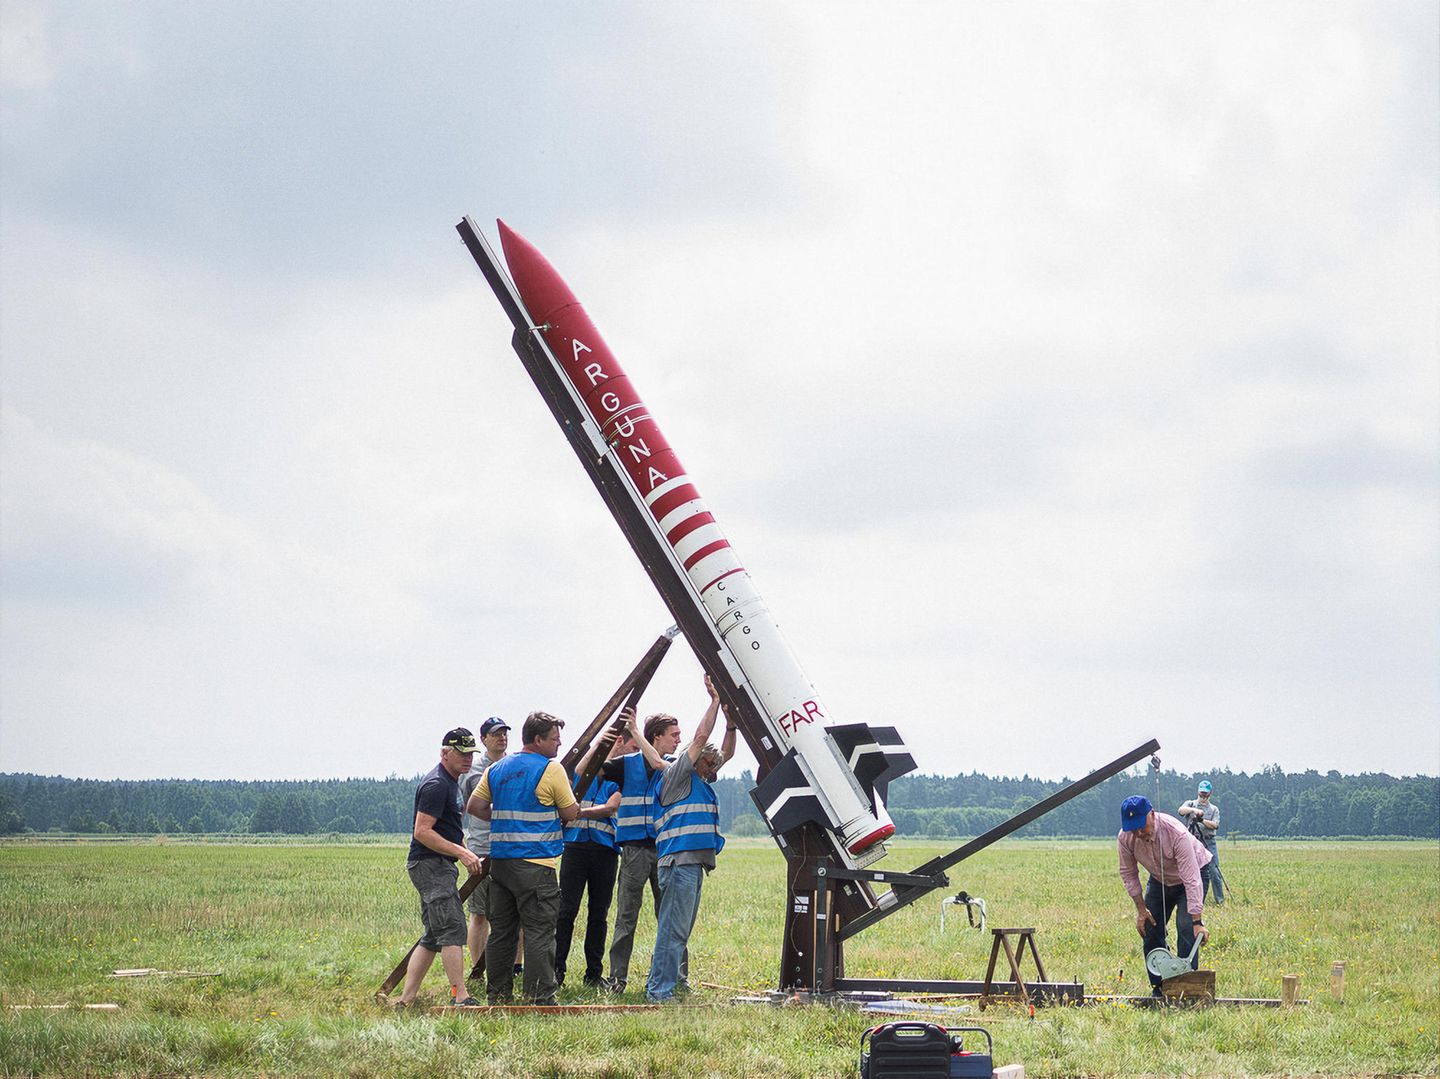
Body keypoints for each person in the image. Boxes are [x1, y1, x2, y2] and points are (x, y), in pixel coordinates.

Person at [465, 711, 613, 1004]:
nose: (559, 745)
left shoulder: (497, 768)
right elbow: (570, 812)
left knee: (502, 932)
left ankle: (497, 994)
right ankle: (540, 996)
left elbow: (476, 806)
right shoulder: (551, 770)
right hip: (536, 864)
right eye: (555, 739)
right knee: (539, 931)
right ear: (538, 739)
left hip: (502, 863)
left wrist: (506, 819)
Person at [632, 675, 735, 1003]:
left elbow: (727, 753)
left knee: (679, 931)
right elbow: (701, 736)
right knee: (672, 931)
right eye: (709, 760)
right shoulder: (679, 775)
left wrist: (731, 726)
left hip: (692, 864)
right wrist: (714, 702)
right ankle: (659, 992)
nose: (715, 765)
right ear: (697, 760)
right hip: (679, 863)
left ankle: (669, 985)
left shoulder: (699, 780)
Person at [395, 727, 485, 1008]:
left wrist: (465, 850)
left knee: (433, 935)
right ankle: (461, 997)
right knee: (452, 929)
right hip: (430, 864)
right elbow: (422, 832)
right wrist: (461, 852)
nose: (467, 759)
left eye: (470, 753)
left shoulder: (451, 781)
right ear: (444, 753)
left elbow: (449, 828)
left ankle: (406, 1000)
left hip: (436, 864)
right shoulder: (437, 784)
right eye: (461, 753)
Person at [601, 706, 685, 993]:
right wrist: (613, 742)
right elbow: (592, 768)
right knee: (626, 916)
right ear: (656, 737)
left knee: (671, 916)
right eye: (673, 735)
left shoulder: (675, 765)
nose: (678, 740)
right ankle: (617, 979)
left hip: (665, 849)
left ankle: (676, 978)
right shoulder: (627, 764)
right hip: (635, 849)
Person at [1117, 794, 1212, 996]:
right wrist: (1141, 910)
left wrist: (1197, 922)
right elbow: (1128, 873)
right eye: (1133, 828)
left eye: (1142, 826)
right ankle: (1159, 988)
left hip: (1193, 874)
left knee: (1186, 927)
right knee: (1150, 927)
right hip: (1160, 878)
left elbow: (1191, 878)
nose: (1139, 832)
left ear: (1152, 814)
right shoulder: (1126, 838)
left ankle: (1186, 989)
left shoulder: (1175, 832)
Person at [554, 733, 624, 988]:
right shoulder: (579, 778)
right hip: (575, 848)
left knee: (599, 914)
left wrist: (578, 811)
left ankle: (593, 974)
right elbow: (581, 767)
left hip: (605, 851)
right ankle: (556, 971)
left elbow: (610, 808)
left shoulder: (616, 782)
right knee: (566, 911)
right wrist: (597, 743)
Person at [457, 716, 510, 980]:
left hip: (511, 847)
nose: (502, 737)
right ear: (484, 740)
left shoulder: (513, 764)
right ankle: (478, 969)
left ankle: (515, 965)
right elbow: (479, 802)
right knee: (479, 914)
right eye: (496, 734)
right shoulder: (475, 770)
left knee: (514, 913)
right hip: (482, 847)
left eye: (504, 733)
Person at [1178, 780, 1224, 904]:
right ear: (1198, 792)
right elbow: (1181, 810)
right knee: (1189, 870)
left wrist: (1201, 820)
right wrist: (1193, 811)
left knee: (1214, 871)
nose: (1203, 796)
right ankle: (1188, 898)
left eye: (1206, 794)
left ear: (1210, 794)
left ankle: (1220, 900)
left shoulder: (1214, 809)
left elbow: (1215, 825)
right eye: (1201, 794)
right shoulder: (1190, 804)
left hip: (1208, 842)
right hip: (1192, 840)